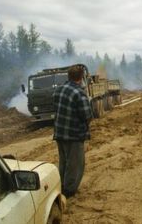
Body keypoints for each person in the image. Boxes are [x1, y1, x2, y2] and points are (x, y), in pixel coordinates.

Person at [53, 65, 93, 198]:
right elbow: (87, 116)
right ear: (81, 78)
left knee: (63, 162)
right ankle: (68, 192)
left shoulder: (59, 90)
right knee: (75, 164)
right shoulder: (79, 93)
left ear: (68, 76)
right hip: (74, 135)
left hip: (59, 133)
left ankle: (61, 186)